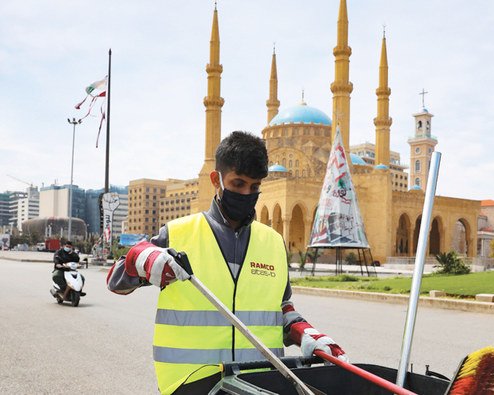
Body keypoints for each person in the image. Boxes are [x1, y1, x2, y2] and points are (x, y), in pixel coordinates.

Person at [107, 131, 347, 395]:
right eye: (238, 184)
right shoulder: (178, 234)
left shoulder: (273, 242)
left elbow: (280, 309)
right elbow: (116, 281)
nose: (246, 193)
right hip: (191, 383)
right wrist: (142, 258)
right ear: (216, 180)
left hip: (260, 384)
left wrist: (305, 333)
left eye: (254, 187)